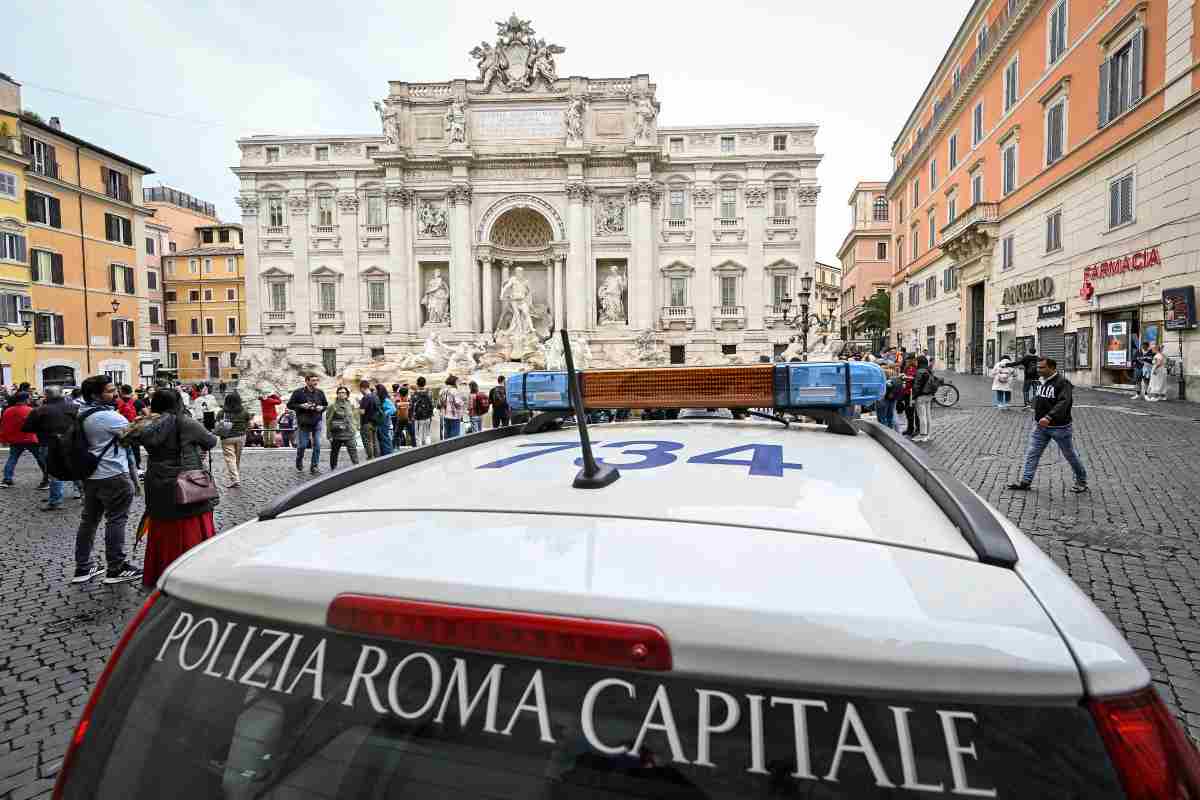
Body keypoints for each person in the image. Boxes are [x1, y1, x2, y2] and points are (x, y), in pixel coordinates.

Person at [125, 388, 218, 588]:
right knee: (189, 524)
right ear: (178, 403)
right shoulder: (185, 422)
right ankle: (192, 574)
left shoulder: (146, 424)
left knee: (162, 524)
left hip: (156, 480)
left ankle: (160, 571)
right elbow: (210, 441)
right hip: (184, 481)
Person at [72, 376, 141, 584]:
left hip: (91, 476)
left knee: (89, 521)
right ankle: (116, 568)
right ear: (95, 395)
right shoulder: (109, 417)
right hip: (113, 475)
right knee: (116, 520)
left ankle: (83, 567)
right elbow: (135, 436)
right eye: (110, 391)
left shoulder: (82, 413)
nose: (115, 394)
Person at [1007, 357, 1088, 493]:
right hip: (1040, 427)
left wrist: (1049, 416)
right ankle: (1025, 481)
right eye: (1038, 367)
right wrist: (1034, 407)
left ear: (1052, 368)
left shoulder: (1063, 383)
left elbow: (1064, 402)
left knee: (1070, 455)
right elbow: (1041, 399)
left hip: (1060, 427)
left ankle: (1081, 480)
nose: (1038, 370)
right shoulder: (1042, 381)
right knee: (1032, 453)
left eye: (1042, 367)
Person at [22, 386, 80, 510]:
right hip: (72, 444)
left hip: (49, 443)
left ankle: (56, 501)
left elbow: (27, 428)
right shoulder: (75, 408)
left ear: (46, 395)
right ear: (61, 394)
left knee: (54, 472)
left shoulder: (39, 410)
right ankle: (81, 494)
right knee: (76, 469)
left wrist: (43, 428)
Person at [1, 392, 44, 488]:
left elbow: (4, 425)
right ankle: (47, 478)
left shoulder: (8, 410)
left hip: (15, 439)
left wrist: (4, 438)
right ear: (26, 399)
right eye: (29, 398)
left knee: (12, 458)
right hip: (30, 438)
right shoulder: (30, 410)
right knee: (40, 459)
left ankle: (7, 479)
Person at [287, 374, 328, 475]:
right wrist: (301, 406)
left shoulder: (320, 392)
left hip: (317, 422)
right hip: (304, 422)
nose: (315, 382)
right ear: (307, 381)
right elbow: (290, 405)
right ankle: (299, 460)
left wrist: (321, 408)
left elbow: (325, 404)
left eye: (316, 380)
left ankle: (314, 466)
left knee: (317, 445)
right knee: (303, 446)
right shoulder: (298, 392)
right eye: (313, 380)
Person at [217, 392, 251, 487]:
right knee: (237, 458)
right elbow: (249, 425)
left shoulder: (222, 412)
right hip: (240, 437)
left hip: (226, 438)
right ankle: (235, 477)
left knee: (230, 459)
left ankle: (235, 479)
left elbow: (217, 424)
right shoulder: (244, 412)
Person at [326, 386, 361, 469]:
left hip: (349, 433)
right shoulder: (333, 406)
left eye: (344, 392)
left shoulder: (350, 404)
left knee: (353, 451)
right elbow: (328, 420)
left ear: (347, 394)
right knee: (334, 452)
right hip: (337, 433)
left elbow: (354, 417)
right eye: (340, 392)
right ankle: (333, 468)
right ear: (337, 394)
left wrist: (355, 428)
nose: (342, 394)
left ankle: (357, 467)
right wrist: (329, 435)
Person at [910, 355, 935, 443]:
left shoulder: (919, 371)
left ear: (919, 362)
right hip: (929, 395)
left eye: (917, 361)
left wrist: (913, 398)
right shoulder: (929, 370)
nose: (915, 363)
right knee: (928, 415)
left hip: (921, 396)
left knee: (922, 416)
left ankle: (923, 435)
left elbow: (917, 386)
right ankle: (928, 434)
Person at [358, 380, 380, 460]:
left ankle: (370, 458)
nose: (360, 391)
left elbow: (362, 412)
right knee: (375, 441)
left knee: (367, 441)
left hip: (366, 423)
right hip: (375, 422)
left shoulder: (365, 398)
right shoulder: (375, 396)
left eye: (360, 389)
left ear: (362, 388)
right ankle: (377, 458)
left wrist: (358, 407)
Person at [411, 376, 435, 446]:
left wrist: (412, 416)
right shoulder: (429, 393)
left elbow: (412, 406)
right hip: (427, 416)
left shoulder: (414, 394)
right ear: (425, 383)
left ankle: (419, 450)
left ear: (417, 384)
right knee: (427, 433)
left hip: (418, 417)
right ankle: (428, 447)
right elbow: (432, 404)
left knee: (418, 435)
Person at [439, 375, 465, 439]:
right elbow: (459, 403)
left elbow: (440, 403)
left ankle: (447, 447)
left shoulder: (442, 391)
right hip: (455, 415)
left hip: (445, 415)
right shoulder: (455, 391)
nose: (458, 383)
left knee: (447, 433)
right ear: (454, 382)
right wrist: (463, 402)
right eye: (457, 381)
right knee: (454, 434)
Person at [875, 366, 900, 431]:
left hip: (882, 399)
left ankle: (884, 432)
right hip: (891, 399)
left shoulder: (882, 374)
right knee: (890, 417)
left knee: (882, 419)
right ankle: (891, 432)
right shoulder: (893, 377)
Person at [375, 384, 395, 455]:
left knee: (385, 438)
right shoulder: (380, 399)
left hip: (384, 422)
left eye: (376, 390)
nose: (375, 391)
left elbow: (393, 409)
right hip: (381, 421)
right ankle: (384, 453)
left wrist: (384, 413)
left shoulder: (386, 400)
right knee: (381, 438)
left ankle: (388, 453)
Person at [900, 355, 918, 437]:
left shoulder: (913, 368)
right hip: (906, 392)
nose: (907, 361)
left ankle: (913, 429)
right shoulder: (907, 367)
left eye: (908, 360)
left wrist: (905, 377)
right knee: (908, 412)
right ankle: (909, 428)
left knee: (911, 412)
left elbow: (913, 377)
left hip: (911, 392)